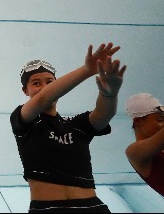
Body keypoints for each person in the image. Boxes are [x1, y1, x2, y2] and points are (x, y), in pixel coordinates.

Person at [10, 43, 127, 213]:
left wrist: (109, 94)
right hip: (49, 208)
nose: (44, 87)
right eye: (36, 83)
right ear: (25, 91)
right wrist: (87, 70)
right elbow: (43, 98)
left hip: (93, 207)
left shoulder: (75, 124)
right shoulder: (24, 120)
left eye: (50, 82)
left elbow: (103, 115)